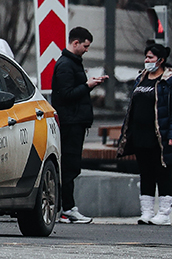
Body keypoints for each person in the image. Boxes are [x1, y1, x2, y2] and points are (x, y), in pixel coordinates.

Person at [51, 26, 109, 224]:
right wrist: (87, 86)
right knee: (69, 167)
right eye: (85, 46)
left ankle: (66, 208)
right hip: (70, 123)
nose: (87, 50)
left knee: (70, 167)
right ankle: (67, 209)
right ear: (75, 43)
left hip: (74, 122)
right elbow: (65, 95)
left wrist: (88, 85)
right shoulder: (66, 65)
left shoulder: (72, 63)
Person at [117, 42, 172, 225]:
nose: (147, 61)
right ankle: (147, 211)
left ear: (161, 60)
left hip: (160, 135)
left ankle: (164, 213)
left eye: (151, 58)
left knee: (162, 172)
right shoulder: (141, 78)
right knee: (146, 172)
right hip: (141, 135)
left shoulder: (167, 80)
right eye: (146, 57)